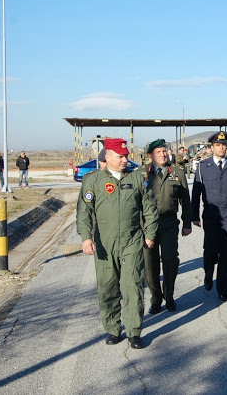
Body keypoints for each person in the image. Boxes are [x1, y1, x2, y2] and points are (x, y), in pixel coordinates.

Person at [76, 138, 158, 349]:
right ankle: (113, 329)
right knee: (108, 287)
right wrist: (86, 237)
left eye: (126, 156)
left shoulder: (137, 179)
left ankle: (134, 331)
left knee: (133, 287)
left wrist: (150, 233)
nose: (124, 160)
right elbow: (84, 212)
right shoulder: (92, 181)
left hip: (132, 241)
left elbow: (149, 208)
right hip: (105, 243)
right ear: (108, 157)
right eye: (120, 156)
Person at [140, 139, 192, 314]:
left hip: (169, 223)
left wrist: (187, 224)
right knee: (150, 263)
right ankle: (156, 298)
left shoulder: (177, 172)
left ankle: (169, 296)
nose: (162, 154)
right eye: (158, 152)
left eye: (164, 151)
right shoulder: (141, 174)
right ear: (150, 155)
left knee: (170, 260)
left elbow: (186, 199)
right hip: (147, 226)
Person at [192, 131, 227, 301]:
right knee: (211, 250)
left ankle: (223, 289)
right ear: (211, 148)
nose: (222, 147)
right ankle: (208, 271)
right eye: (218, 145)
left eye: (224, 145)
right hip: (211, 216)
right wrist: (194, 215)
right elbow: (196, 193)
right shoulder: (202, 167)